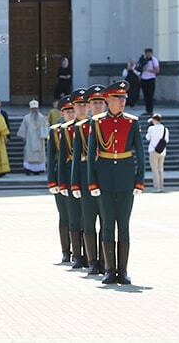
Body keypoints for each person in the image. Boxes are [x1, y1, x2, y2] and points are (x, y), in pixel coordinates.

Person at [87, 81, 143, 284]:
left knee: (124, 225)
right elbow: (92, 153)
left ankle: (123, 270)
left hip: (126, 179)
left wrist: (140, 181)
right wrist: (92, 183)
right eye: (118, 98)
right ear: (108, 100)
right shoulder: (98, 122)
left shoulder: (132, 122)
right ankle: (110, 270)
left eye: (124, 99)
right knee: (108, 225)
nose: (122, 102)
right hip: (104, 180)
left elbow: (140, 153)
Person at [70, 86, 107, 274]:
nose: (98, 106)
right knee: (90, 220)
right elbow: (76, 158)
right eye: (94, 103)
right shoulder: (82, 127)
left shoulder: (110, 124)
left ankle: (106, 259)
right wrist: (74, 182)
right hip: (86, 176)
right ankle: (92, 260)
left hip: (107, 176)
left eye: (101, 102)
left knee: (106, 221)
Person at [60, 89, 88, 268]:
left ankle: (91, 255)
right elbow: (62, 159)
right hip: (72, 175)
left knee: (90, 217)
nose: (80, 109)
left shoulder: (94, 125)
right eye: (78, 105)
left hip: (90, 175)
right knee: (73, 216)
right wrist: (61, 182)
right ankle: (76, 254)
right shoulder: (66, 130)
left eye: (84, 105)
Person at [45, 95, 75, 263]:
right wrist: (52, 181)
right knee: (64, 215)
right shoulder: (55, 130)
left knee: (81, 216)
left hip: (77, 174)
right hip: (60, 173)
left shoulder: (81, 127)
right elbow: (51, 158)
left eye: (72, 110)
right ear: (62, 113)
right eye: (67, 111)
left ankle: (80, 250)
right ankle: (66, 250)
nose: (70, 114)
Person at [19, 100, 47, 175]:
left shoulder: (42, 118)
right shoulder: (26, 118)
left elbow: (46, 127)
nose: (34, 110)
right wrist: (23, 137)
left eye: (35, 108)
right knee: (29, 154)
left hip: (39, 139)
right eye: (33, 109)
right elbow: (23, 128)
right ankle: (28, 169)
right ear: (31, 109)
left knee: (39, 155)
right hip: (29, 139)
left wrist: (45, 135)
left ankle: (38, 170)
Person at [145, 114, 169, 193]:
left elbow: (147, 137)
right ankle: (161, 186)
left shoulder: (151, 128)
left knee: (154, 169)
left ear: (154, 120)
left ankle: (156, 186)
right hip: (162, 150)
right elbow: (166, 140)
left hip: (153, 150)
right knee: (160, 168)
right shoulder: (165, 129)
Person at [138, 49, 158, 116]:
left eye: (149, 53)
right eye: (147, 53)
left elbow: (157, 70)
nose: (148, 55)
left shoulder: (154, 60)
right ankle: (147, 110)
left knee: (150, 95)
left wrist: (148, 70)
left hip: (151, 79)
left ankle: (150, 110)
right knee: (145, 95)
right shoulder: (143, 60)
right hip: (144, 78)